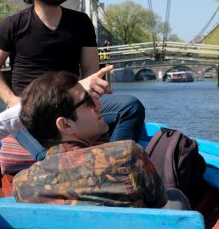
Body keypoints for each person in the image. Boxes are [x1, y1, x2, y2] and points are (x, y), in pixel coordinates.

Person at [0, 0, 145, 171]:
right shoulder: (12, 25)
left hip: (70, 103)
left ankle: (115, 164)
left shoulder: (81, 22)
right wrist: (11, 99)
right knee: (20, 117)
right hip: (31, 107)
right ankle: (51, 164)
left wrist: (91, 92)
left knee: (130, 107)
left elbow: (89, 71)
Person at [12, 71, 189, 210]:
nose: (99, 105)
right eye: (88, 101)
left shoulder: (22, 184)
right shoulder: (127, 156)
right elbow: (159, 202)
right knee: (176, 198)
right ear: (65, 125)